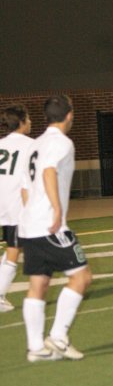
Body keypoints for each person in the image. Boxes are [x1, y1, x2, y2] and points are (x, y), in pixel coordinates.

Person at [19, 95, 92, 362]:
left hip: (30, 226)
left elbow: (26, 186)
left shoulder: (34, 144)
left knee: (38, 282)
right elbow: (49, 171)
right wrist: (57, 209)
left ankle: (36, 347)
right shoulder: (62, 142)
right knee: (81, 277)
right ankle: (59, 338)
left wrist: (31, 215)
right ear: (69, 115)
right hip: (50, 225)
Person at [0, 105, 34, 312]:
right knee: (14, 249)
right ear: (21, 121)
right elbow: (29, 180)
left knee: (12, 247)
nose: (30, 122)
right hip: (14, 205)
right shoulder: (31, 146)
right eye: (28, 119)